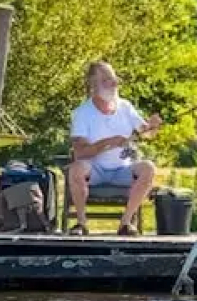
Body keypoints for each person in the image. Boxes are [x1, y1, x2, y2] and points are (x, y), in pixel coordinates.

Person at [67, 61, 162, 235]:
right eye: (107, 80)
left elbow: (145, 132)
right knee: (76, 169)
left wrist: (153, 126)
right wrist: (108, 143)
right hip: (94, 169)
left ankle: (125, 223)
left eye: (114, 79)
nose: (114, 83)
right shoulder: (82, 113)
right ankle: (81, 223)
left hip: (123, 168)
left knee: (148, 168)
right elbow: (80, 152)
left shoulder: (125, 107)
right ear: (93, 85)